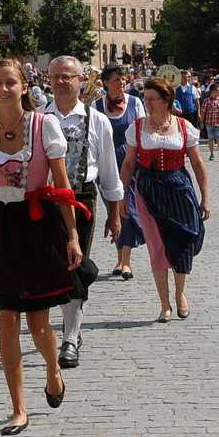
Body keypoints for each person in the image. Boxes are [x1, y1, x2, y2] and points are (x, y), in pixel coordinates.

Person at [0, 58, 81, 435]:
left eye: (11, 83)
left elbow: (63, 185)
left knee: (38, 325)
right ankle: (18, 407)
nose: (3, 89)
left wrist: (73, 236)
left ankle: (52, 368)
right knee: (6, 320)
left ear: (24, 87)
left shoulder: (44, 125)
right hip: (1, 228)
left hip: (37, 227)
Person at [41, 57, 123, 370]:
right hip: (47, 200)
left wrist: (114, 214)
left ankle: (70, 337)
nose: (61, 82)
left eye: (67, 77)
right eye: (55, 77)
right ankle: (53, 329)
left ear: (81, 80)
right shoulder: (37, 119)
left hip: (82, 198)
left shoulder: (97, 120)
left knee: (75, 266)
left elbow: (110, 172)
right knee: (52, 268)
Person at [117, 78, 211, 324]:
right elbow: (128, 164)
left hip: (178, 187)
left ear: (166, 101)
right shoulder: (137, 127)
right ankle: (164, 304)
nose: (147, 103)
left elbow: (198, 164)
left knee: (182, 240)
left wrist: (205, 198)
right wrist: (121, 197)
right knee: (156, 245)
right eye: (145, 98)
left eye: (152, 98)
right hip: (147, 188)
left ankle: (180, 293)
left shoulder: (184, 126)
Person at [94, 66, 145, 278]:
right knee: (113, 210)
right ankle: (120, 259)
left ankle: (125, 262)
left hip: (130, 162)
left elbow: (143, 130)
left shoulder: (135, 103)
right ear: (105, 83)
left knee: (128, 209)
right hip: (106, 162)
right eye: (116, 80)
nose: (121, 83)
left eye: (123, 79)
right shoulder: (96, 106)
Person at [199, 84, 219, 162]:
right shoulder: (206, 100)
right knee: (211, 138)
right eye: (218, 90)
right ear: (213, 91)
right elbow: (203, 112)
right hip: (210, 122)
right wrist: (201, 121)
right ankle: (212, 153)